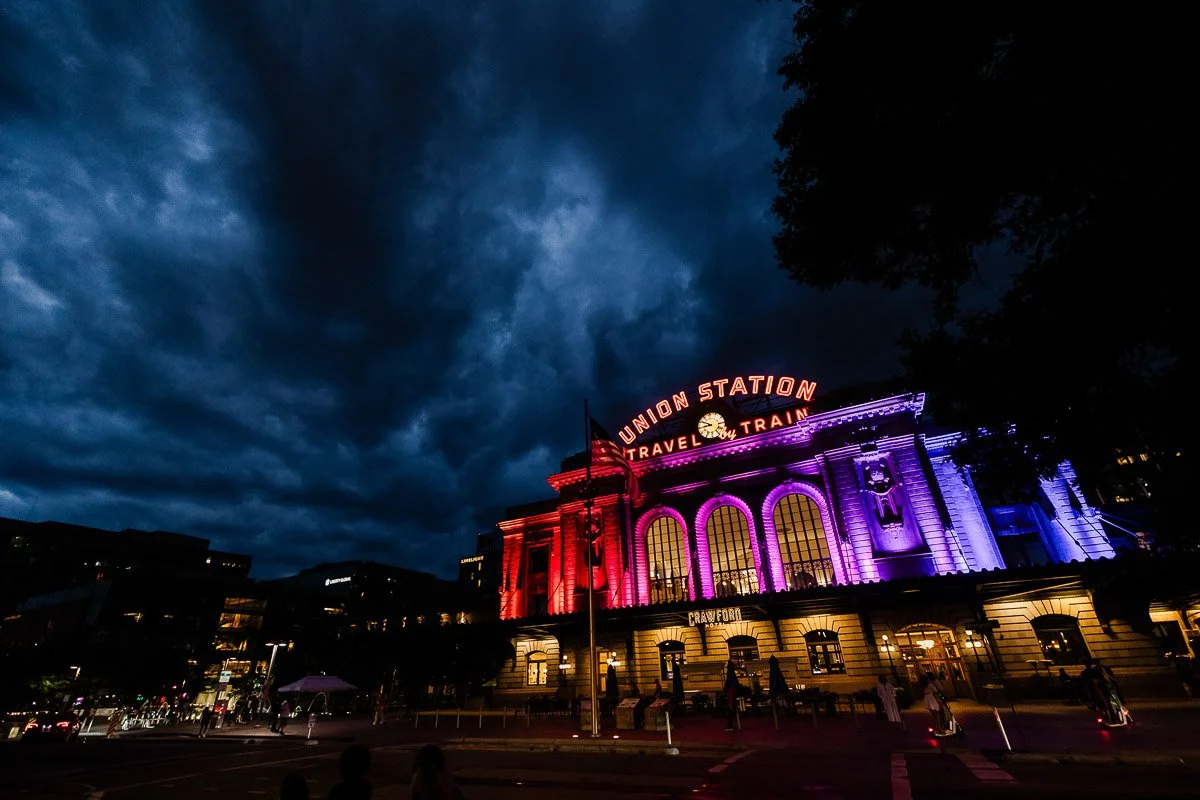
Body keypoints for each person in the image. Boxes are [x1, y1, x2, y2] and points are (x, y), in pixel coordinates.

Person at [723, 660, 742, 732]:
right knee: (732, 709)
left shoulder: (730, 674)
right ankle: (732, 724)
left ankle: (730, 725)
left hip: (731, 693)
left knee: (731, 709)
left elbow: (728, 684)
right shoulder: (732, 674)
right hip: (732, 693)